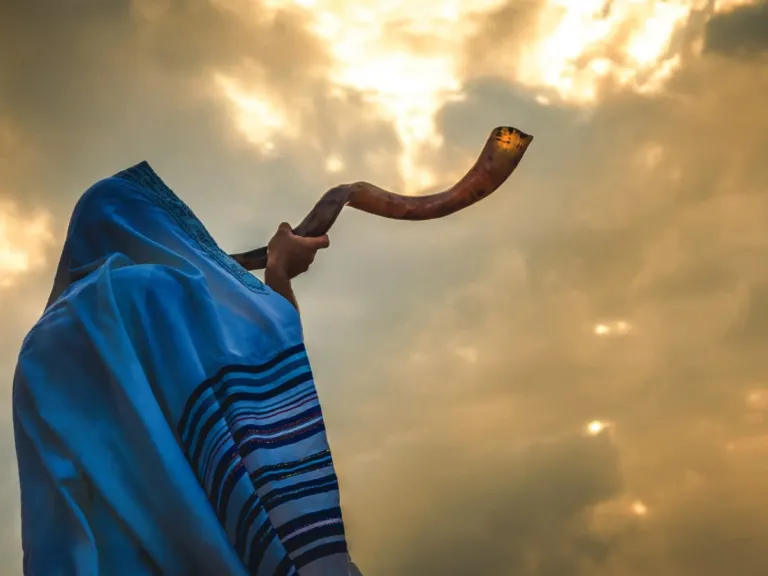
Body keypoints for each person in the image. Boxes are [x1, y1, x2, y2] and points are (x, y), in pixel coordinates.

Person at [12, 161, 362, 575]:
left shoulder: (36, 351)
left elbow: (50, 501)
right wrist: (278, 274)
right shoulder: (152, 291)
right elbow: (261, 348)